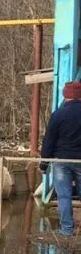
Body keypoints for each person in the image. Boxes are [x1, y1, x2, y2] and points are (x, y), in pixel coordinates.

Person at [41, 81, 81, 235]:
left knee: (64, 196)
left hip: (61, 161)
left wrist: (44, 164)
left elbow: (49, 141)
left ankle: (66, 230)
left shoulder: (58, 115)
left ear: (66, 95)